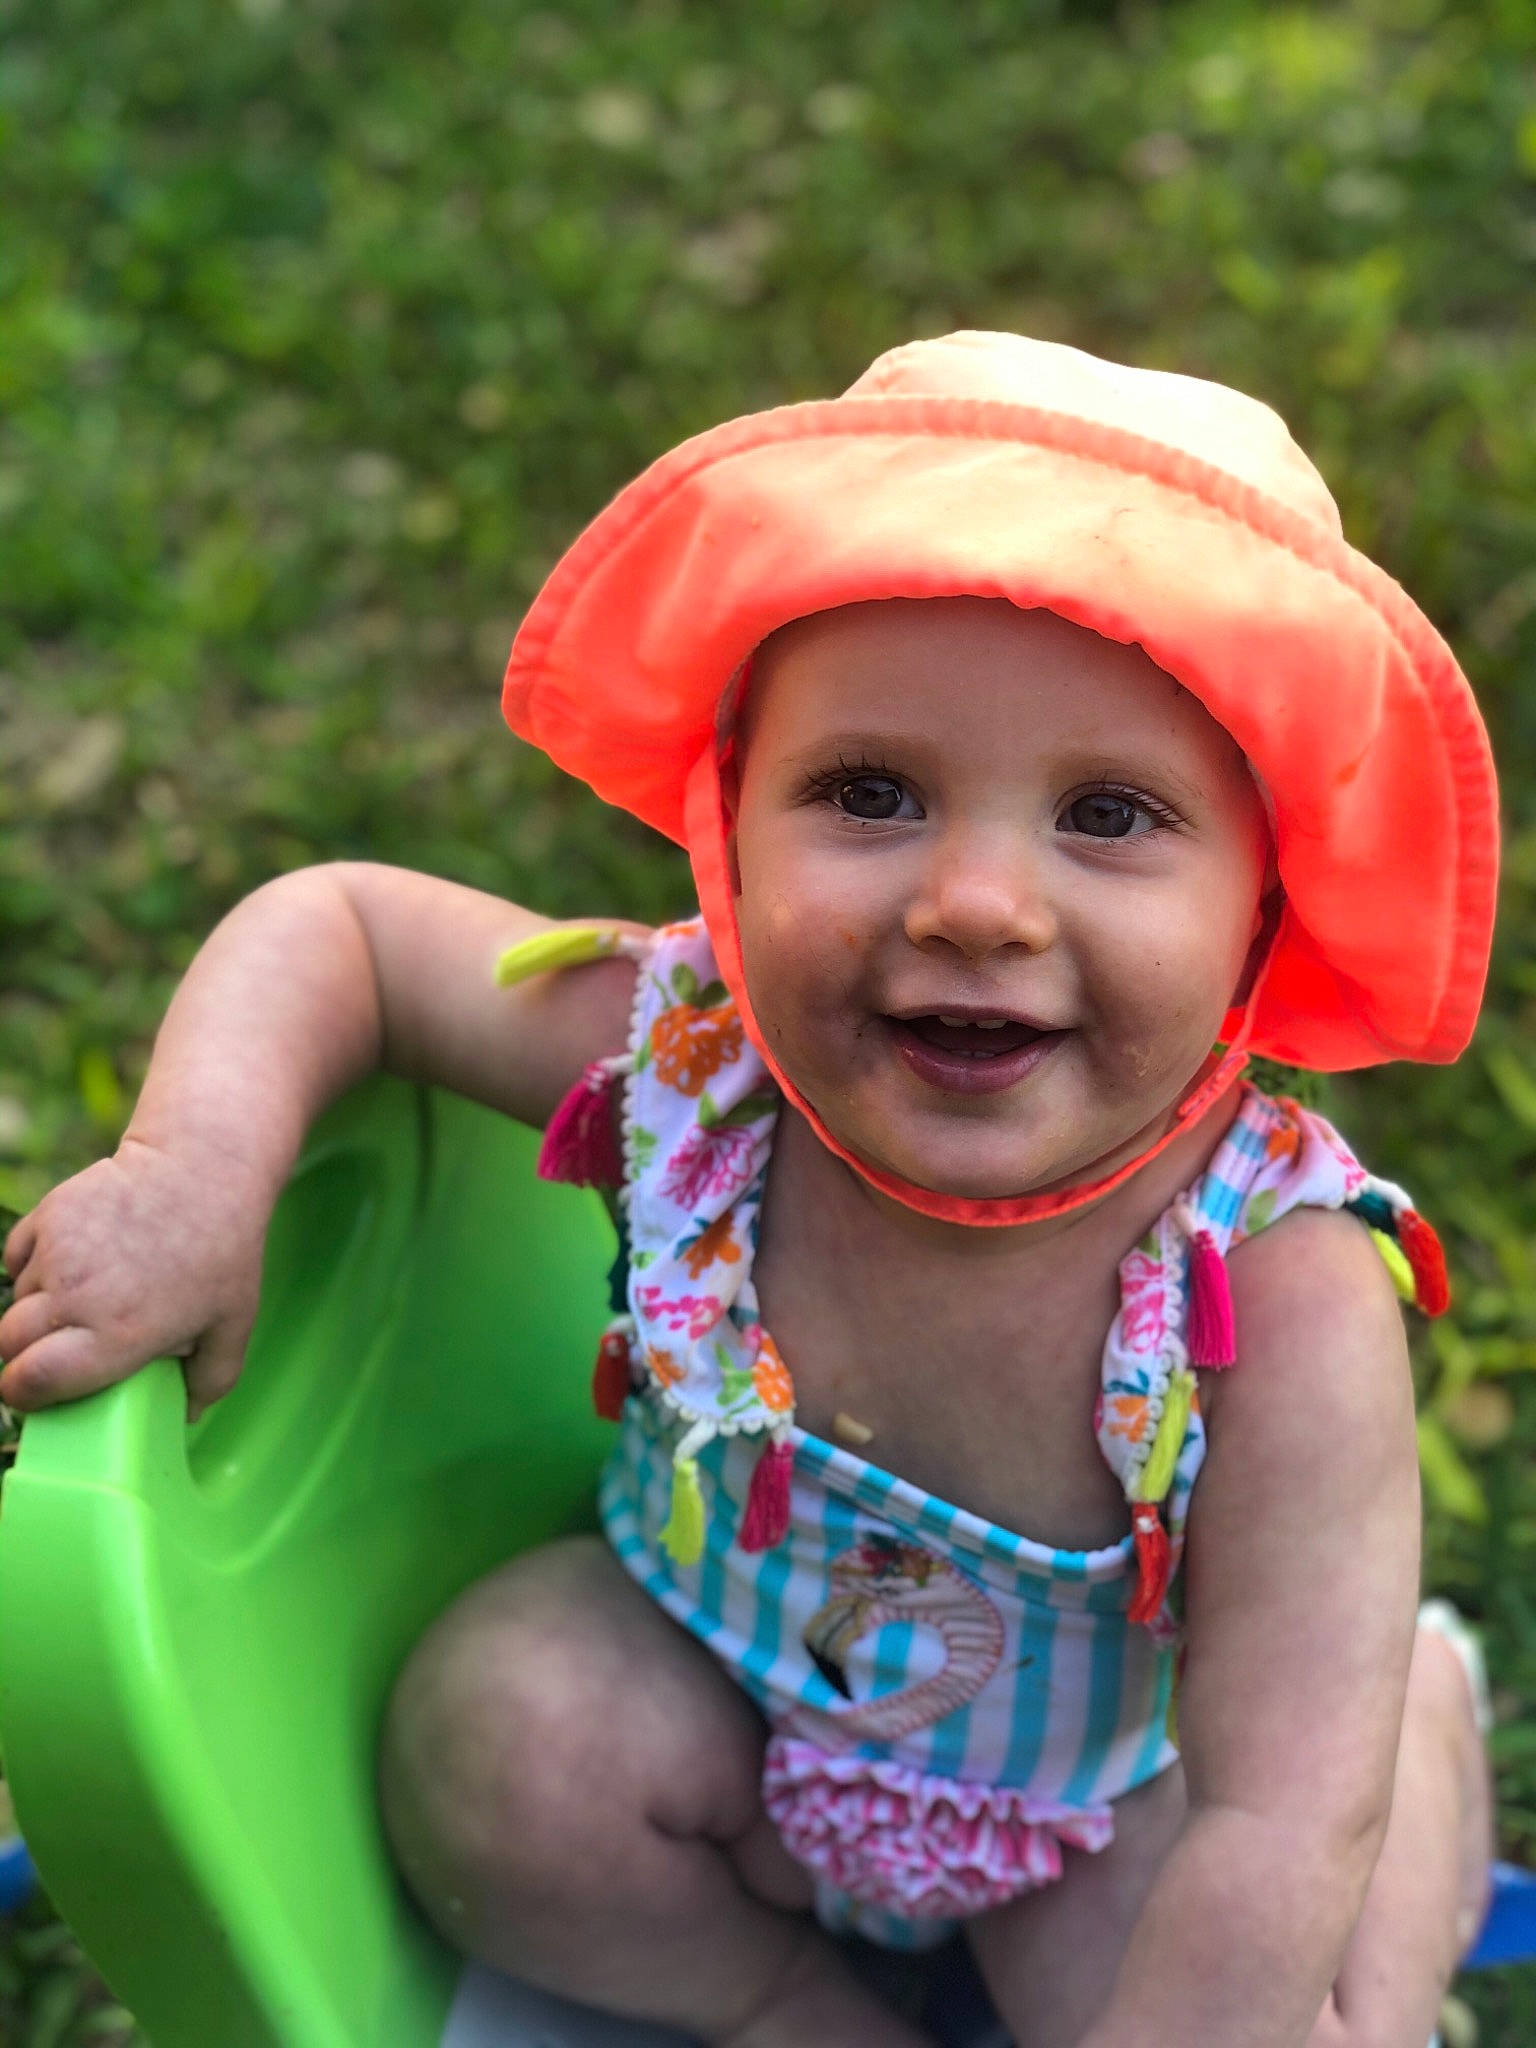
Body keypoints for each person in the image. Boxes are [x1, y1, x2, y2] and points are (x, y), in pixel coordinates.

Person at [0, 333, 1499, 2048]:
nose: (975, 902)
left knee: (1301, 1998)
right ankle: (785, 2007)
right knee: (497, 1739)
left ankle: (1432, 1737)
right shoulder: (700, 1065)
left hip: (1101, 1812)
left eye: (1108, 813)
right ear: (732, 816)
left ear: (1259, 904)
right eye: (868, 793)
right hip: (717, 1685)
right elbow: (341, 929)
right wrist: (192, 1170)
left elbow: (1274, 1818)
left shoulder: (1275, 1295)